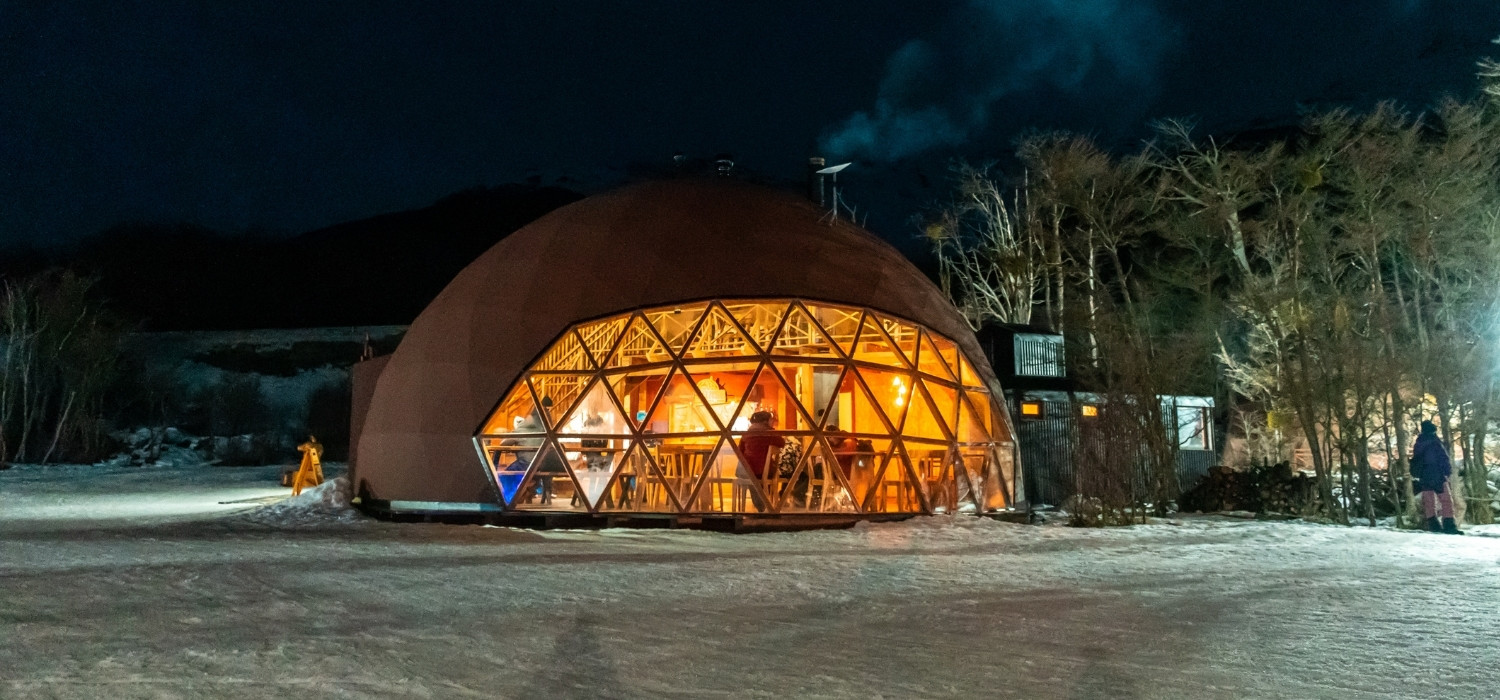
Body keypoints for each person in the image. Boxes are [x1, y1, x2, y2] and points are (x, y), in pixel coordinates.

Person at [1410, 420, 1461, 534]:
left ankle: (1433, 525)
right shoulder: (1435, 442)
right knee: (1446, 500)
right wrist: (1447, 472)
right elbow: (1443, 458)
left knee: (1429, 501)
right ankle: (1449, 525)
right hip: (1437, 474)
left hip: (1424, 476)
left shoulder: (1418, 443)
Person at [736, 411, 784, 511]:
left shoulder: (747, 433)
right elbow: (781, 442)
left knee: (750, 475)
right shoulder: (768, 432)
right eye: (771, 420)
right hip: (763, 471)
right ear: (767, 421)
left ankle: (761, 505)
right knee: (767, 476)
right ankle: (765, 504)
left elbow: (739, 450)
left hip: (748, 470)